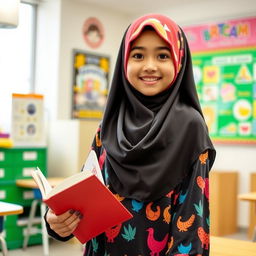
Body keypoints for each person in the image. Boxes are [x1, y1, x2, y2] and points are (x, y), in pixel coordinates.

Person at [45, 13, 216, 255]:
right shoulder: (110, 123)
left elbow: (192, 227)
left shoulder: (191, 127)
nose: (149, 65)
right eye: (137, 55)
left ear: (179, 61)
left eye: (162, 55)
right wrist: (58, 222)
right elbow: (83, 196)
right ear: (124, 61)